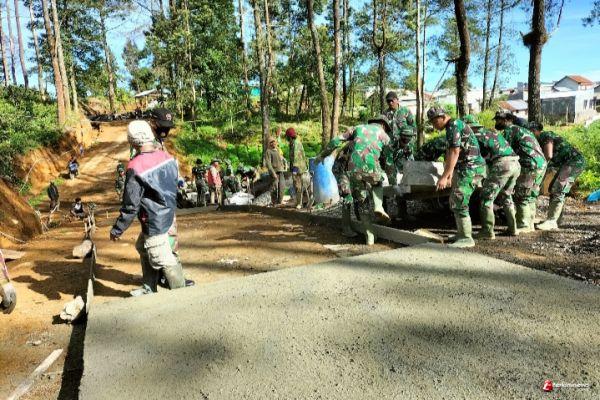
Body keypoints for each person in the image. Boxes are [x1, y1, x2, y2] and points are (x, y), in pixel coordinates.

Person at [110, 120, 185, 296]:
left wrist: (118, 229)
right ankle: (149, 287)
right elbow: (175, 184)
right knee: (143, 247)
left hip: (154, 220)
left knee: (163, 258)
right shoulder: (167, 157)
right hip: (168, 214)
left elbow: (131, 205)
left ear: (132, 140)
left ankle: (182, 295)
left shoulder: (135, 166)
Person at [317, 115, 394, 245]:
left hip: (353, 168)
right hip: (342, 170)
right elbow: (388, 162)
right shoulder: (380, 137)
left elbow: (336, 141)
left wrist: (322, 155)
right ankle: (347, 227)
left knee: (362, 199)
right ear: (383, 125)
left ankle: (369, 235)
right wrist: (392, 181)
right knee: (348, 197)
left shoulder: (358, 133)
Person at [426, 107, 486, 248]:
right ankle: (461, 233)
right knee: (455, 199)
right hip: (466, 168)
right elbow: (449, 152)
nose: (434, 126)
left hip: (471, 168)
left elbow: (454, 151)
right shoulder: (451, 127)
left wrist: (444, 177)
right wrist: (449, 174)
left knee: (459, 200)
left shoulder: (453, 125)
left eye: (434, 122)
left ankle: (466, 238)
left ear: (441, 117)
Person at [464, 115, 521, 238]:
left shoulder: (474, 137)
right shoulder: (492, 133)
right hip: (515, 163)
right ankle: (513, 229)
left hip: (502, 165)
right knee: (506, 195)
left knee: (486, 198)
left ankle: (487, 231)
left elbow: (475, 158)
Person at [493, 112, 547, 233]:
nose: (496, 122)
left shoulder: (510, 130)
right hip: (540, 164)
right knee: (531, 195)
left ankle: (523, 225)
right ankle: (530, 223)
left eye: (498, 120)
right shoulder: (522, 130)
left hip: (530, 165)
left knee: (521, 195)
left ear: (507, 120)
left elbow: (504, 151)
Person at [529, 121, 586, 230]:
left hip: (574, 162)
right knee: (554, 188)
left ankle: (552, 221)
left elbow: (548, 155)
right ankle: (555, 220)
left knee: (559, 188)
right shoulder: (539, 140)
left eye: (530, 132)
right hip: (566, 163)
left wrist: (541, 170)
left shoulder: (545, 136)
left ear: (535, 130)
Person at [384, 91, 416, 185]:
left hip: (405, 144)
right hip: (390, 146)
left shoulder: (405, 111)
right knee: (390, 167)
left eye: (392, 100)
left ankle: (410, 188)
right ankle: (393, 188)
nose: (390, 103)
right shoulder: (385, 114)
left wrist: (410, 144)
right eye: (388, 101)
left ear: (397, 100)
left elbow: (414, 128)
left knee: (410, 167)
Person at [285, 128, 310, 209]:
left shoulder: (296, 143)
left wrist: (295, 170)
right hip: (296, 167)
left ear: (290, 136)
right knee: (296, 185)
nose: (286, 138)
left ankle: (300, 203)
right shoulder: (292, 143)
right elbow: (292, 157)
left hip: (299, 168)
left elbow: (296, 157)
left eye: (287, 137)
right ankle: (298, 202)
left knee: (298, 186)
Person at [265, 138, 286, 205]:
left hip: (281, 171)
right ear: (270, 143)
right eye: (271, 142)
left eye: (274, 142)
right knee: (274, 187)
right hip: (274, 172)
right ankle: (274, 202)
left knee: (282, 186)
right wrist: (273, 173)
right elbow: (268, 164)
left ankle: (280, 201)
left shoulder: (277, 150)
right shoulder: (268, 151)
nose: (273, 143)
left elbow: (281, 159)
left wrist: (284, 166)